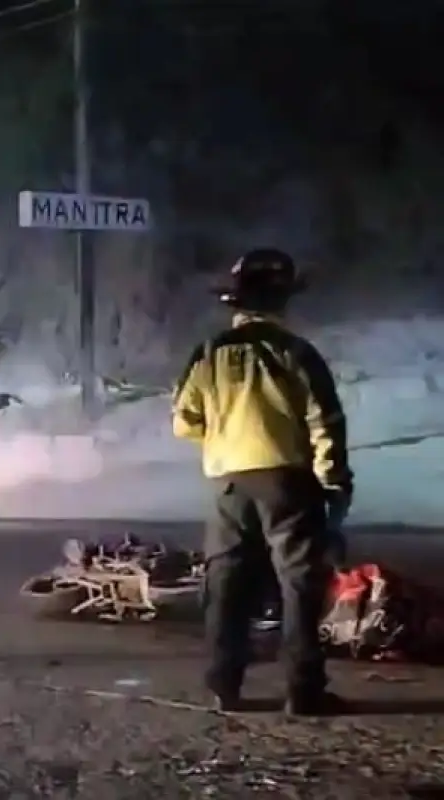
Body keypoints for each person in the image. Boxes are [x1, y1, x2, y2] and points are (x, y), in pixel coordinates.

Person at [171, 248, 353, 716]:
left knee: (227, 582)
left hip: (228, 485)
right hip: (288, 483)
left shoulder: (209, 353)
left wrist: (226, 436)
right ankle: (302, 690)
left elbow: (184, 421)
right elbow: (325, 423)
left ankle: (223, 686)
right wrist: (333, 482)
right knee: (298, 585)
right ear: (281, 301)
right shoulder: (297, 353)